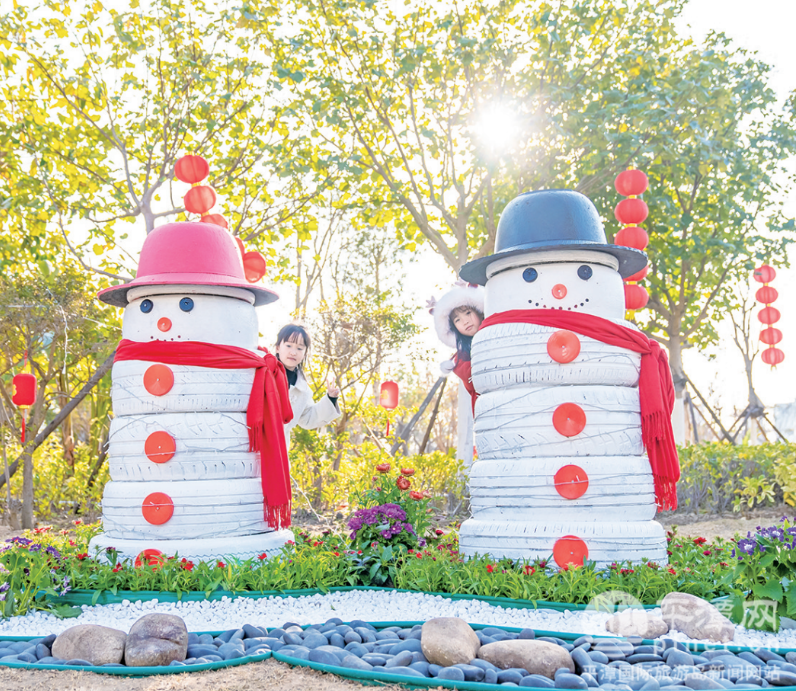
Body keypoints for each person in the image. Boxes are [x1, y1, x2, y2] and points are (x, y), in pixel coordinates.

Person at [274, 323, 341, 448]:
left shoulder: (302, 389)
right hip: (248, 440)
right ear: (278, 347)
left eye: (299, 348)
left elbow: (308, 419)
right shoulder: (263, 372)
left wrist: (331, 398)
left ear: (305, 354)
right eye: (288, 345)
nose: (293, 352)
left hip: (278, 447)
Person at [431, 282, 485, 411]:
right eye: (457, 320)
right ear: (454, 328)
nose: (465, 321)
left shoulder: (498, 330)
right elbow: (475, 381)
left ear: (479, 311)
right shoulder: (461, 358)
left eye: (468, 313)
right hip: (485, 409)